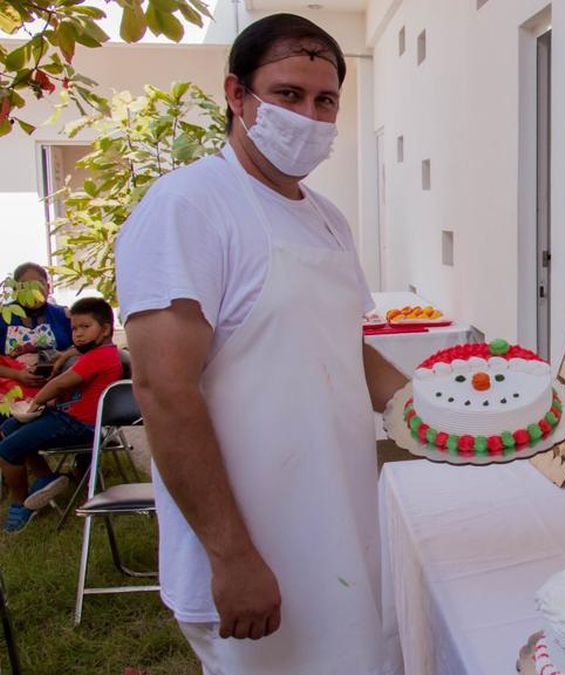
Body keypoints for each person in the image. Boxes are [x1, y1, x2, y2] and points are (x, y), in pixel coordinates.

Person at [115, 13, 406, 674]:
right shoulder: (189, 206)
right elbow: (163, 390)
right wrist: (232, 556)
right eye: (288, 94)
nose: (308, 116)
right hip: (255, 547)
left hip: (337, 520)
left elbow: (342, 345)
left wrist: (442, 413)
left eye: (325, 100)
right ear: (236, 94)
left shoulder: (326, 219)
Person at [0, 297, 123, 533]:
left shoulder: (99, 356)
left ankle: (21, 504)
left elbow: (59, 384)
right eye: (74, 328)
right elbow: (71, 372)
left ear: (106, 329)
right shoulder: (98, 352)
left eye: (85, 327)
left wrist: (35, 403)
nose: (78, 334)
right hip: (68, 418)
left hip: (80, 426)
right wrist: (65, 356)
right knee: (8, 429)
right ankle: (46, 478)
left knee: (7, 450)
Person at [0, 263, 73, 402]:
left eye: (38, 284)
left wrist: (63, 357)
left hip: (57, 385)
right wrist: (17, 374)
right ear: (15, 290)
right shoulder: (3, 316)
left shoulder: (63, 315)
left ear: (48, 288)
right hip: (10, 389)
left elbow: (85, 348)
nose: (33, 290)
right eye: (25, 286)